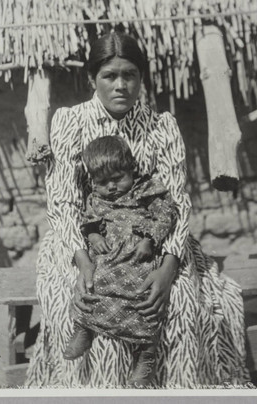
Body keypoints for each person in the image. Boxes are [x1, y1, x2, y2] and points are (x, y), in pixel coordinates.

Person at [25, 31, 249, 388]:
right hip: (88, 241)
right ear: (92, 79)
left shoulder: (162, 127)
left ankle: (171, 385)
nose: (121, 86)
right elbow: (63, 201)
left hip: (155, 239)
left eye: (129, 75)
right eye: (109, 76)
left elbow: (176, 200)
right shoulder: (70, 122)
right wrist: (82, 261)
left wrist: (168, 266)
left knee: (177, 302)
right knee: (84, 298)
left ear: (141, 78)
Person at [63, 135, 176, 387]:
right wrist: (93, 237)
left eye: (117, 179)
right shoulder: (97, 199)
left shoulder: (147, 190)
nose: (111, 187)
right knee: (94, 284)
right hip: (108, 257)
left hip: (138, 257)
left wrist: (149, 240)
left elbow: (166, 214)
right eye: (103, 182)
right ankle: (85, 328)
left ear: (132, 169)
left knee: (144, 295)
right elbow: (87, 222)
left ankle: (146, 353)